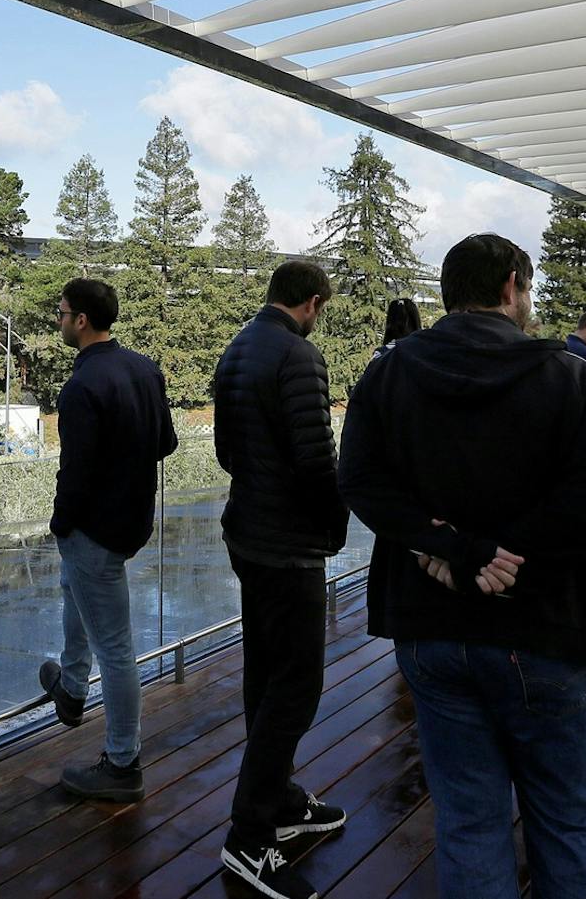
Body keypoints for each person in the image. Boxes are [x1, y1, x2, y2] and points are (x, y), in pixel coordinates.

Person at [340, 234, 586, 899]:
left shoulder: (389, 371)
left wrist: (452, 549)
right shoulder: (569, 375)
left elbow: (359, 479)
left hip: (433, 624)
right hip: (549, 623)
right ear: (511, 286)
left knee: (468, 819)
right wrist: (498, 553)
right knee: (567, 817)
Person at [211, 260, 349, 899]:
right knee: (298, 683)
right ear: (313, 303)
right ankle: (249, 837)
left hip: (246, 531)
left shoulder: (237, 348)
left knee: (264, 677)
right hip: (288, 543)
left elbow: (225, 453)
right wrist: (335, 525)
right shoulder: (299, 356)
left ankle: (282, 799)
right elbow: (317, 459)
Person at [39, 277, 177, 803]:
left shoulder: (80, 388)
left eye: (62, 310)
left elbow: (75, 472)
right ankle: (72, 688)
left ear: (81, 320)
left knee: (116, 648)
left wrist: (60, 522)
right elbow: (165, 441)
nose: (59, 318)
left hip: (93, 526)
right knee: (75, 589)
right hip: (131, 521)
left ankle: (123, 763)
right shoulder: (144, 369)